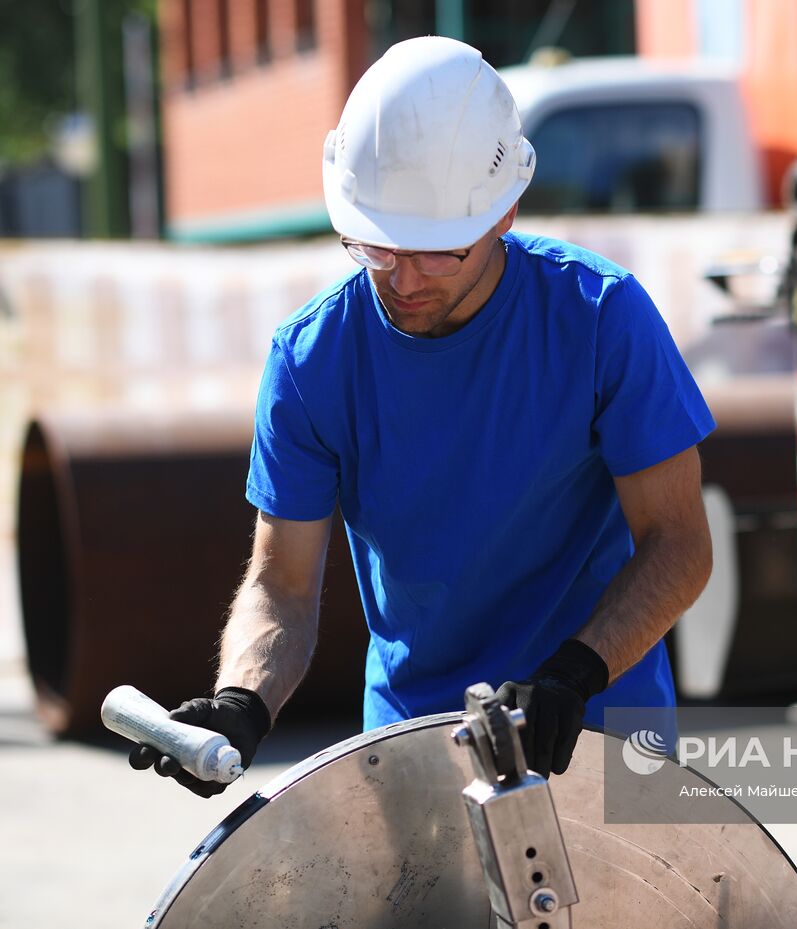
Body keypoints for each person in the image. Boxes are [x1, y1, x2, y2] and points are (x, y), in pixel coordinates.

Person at [130, 36, 715, 796]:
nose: (402, 277)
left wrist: (576, 671)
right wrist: (243, 700)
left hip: (598, 730)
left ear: (505, 210)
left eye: (438, 251)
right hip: (414, 746)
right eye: (373, 243)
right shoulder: (314, 359)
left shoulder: (601, 317)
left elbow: (679, 544)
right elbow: (282, 582)